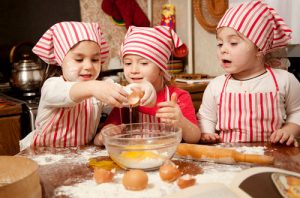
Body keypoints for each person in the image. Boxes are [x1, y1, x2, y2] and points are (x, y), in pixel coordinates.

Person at [20, 21, 156, 148]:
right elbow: (71, 92)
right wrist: (94, 87)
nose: (89, 66)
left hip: (80, 156)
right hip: (40, 155)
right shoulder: (52, 86)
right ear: (61, 60)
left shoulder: (100, 88)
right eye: (79, 59)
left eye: (95, 59)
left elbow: (126, 94)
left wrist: (144, 88)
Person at [197, 1, 300, 147]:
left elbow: (297, 112)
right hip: (231, 159)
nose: (223, 50)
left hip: (275, 156)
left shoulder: (284, 80)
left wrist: (289, 129)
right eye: (220, 44)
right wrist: (207, 133)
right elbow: (206, 118)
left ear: (259, 48)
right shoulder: (216, 86)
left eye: (233, 43)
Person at [94, 26, 201, 145]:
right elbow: (100, 139)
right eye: (128, 63)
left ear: (161, 69)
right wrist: (105, 135)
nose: (134, 70)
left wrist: (181, 121)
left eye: (144, 63)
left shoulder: (178, 97)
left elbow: (194, 137)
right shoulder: (125, 99)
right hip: (136, 159)